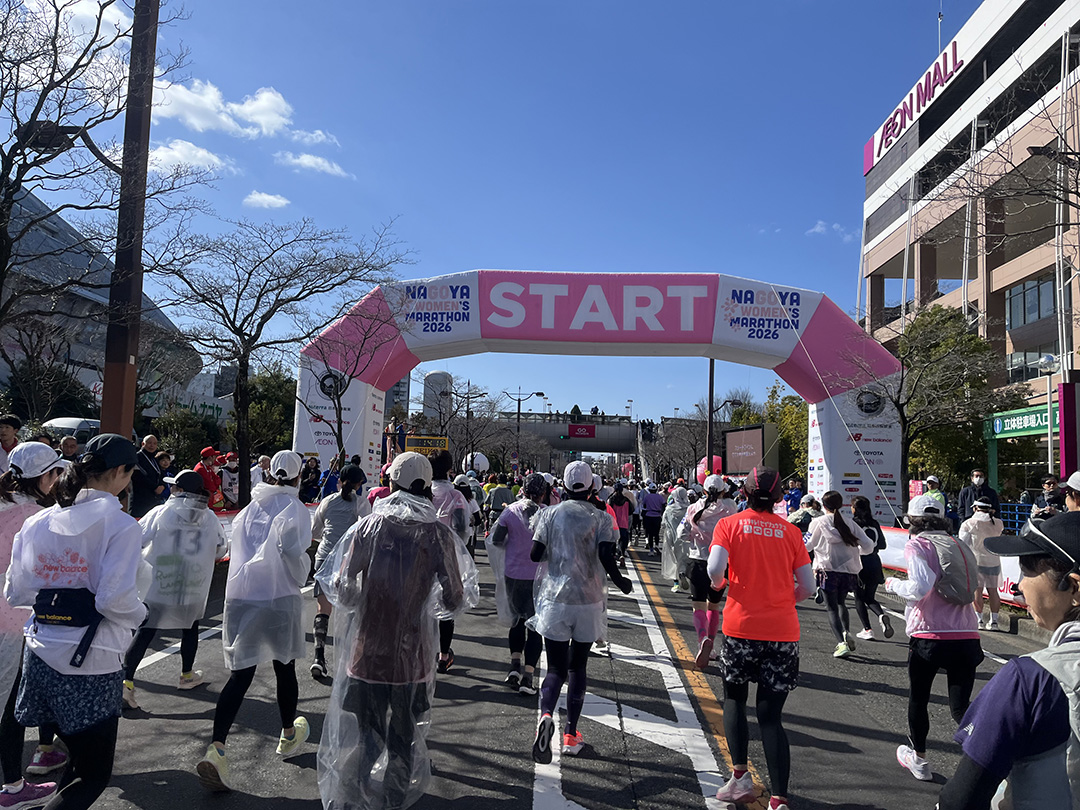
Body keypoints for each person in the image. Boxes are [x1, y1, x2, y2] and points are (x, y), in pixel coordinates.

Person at [5, 434, 146, 810]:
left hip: (38, 654)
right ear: (120, 472)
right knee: (92, 774)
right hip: (90, 662)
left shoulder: (39, 522)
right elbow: (115, 599)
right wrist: (140, 615)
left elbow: (15, 592)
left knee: (74, 767)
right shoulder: (121, 526)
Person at [317, 452, 464, 810]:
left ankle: (350, 794)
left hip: (367, 652)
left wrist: (367, 597)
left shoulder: (369, 526)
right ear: (427, 484)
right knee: (404, 737)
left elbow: (342, 585)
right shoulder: (437, 534)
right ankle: (395, 800)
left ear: (391, 481)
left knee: (368, 736)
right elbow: (455, 597)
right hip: (413, 655)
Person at [938, 511, 1080, 809]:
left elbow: (960, 800)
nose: (1019, 585)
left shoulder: (1031, 679)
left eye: (1028, 570)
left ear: (1074, 588)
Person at [197, 450, 311, 792]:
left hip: (242, 598)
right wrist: (303, 573)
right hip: (279, 598)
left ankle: (217, 747)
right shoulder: (295, 509)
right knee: (284, 667)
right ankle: (288, 733)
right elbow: (295, 555)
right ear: (297, 476)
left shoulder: (248, 509)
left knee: (241, 676)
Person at [707, 467, 814, 810]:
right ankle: (780, 798)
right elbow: (809, 587)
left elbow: (714, 569)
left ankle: (740, 779)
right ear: (780, 497)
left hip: (740, 627)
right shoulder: (791, 532)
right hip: (782, 632)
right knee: (771, 716)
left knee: (734, 700)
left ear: (745, 493)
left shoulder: (730, 525)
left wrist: (722, 585)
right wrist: (783, 600)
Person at [530, 461, 632, 763]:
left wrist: (557, 550)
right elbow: (604, 554)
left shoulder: (548, 514)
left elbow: (535, 554)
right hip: (587, 600)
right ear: (592, 487)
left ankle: (546, 713)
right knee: (577, 668)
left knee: (554, 669)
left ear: (562, 485)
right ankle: (571, 734)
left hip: (554, 600)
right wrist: (621, 581)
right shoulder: (600, 517)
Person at [884, 494, 982, 782]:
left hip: (929, 634)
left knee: (919, 698)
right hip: (967, 633)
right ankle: (989, 759)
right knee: (961, 708)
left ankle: (920, 760)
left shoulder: (917, 544)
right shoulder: (959, 544)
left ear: (912, 521)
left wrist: (893, 584)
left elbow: (920, 587)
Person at [0, 444, 71, 809]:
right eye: (55, 474)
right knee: (12, 706)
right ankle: (12, 786)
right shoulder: (40, 517)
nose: (58, 480)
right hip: (16, 621)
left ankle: (44, 752)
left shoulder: (4, 503)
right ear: (43, 477)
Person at [122, 469, 228, 710]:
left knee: (146, 629)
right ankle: (187, 674)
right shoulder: (209, 517)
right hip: (192, 584)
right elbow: (221, 549)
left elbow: (137, 540)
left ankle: (126, 682)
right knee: (190, 627)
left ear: (178, 489)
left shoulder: (161, 513)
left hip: (160, 582)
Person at [309, 464, 369, 679]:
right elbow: (366, 531)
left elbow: (315, 531)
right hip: (347, 560)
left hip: (324, 558)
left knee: (322, 610)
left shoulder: (327, 501)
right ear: (359, 483)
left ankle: (318, 658)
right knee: (353, 609)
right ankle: (352, 661)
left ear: (340, 481)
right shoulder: (361, 504)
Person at [490, 473, 547, 696]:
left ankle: (514, 667)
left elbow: (496, 540)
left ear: (522, 489)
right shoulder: (546, 515)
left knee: (517, 622)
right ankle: (528, 677)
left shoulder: (510, 511)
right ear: (543, 493)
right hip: (538, 576)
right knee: (535, 626)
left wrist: (514, 544)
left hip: (512, 574)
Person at [805, 491, 876, 658]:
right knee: (841, 604)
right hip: (848, 571)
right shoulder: (850, 523)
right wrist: (858, 552)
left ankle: (840, 643)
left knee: (831, 609)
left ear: (823, 505)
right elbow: (868, 545)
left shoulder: (818, 522)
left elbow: (807, 545)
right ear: (842, 505)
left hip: (827, 570)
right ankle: (846, 632)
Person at [679, 475, 737, 669]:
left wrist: (694, 537)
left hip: (697, 561)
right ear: (723, 490)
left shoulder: (693, 508)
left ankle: (702, 638)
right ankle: (711, 644)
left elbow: (682, 533)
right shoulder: (730, 509)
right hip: (721, 563)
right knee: (714, 605)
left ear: (703, 490)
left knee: (698, 605)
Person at [429, 451, 478, 675]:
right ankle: (444, 655)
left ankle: (422, 651)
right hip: (448, 556)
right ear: (450, 469)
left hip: (422, 553)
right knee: (447, 605)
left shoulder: (423, 492)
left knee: (421, 602)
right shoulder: (456, 496)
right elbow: (461, 528)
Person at [850, 495, 893, 641]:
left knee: (859, 598)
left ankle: (867, 629)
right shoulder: (874, 523)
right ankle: (881, 615)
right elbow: (882, 544)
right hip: (875, 562)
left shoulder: (853, 524)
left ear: (854, 509)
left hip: (860, 563)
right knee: (870, 597)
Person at [958, 498, 1005, 631]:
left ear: (975, 508)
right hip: (994, 561)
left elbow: (964, 544)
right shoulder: (998, 523)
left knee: (978, 591)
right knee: (993, 590)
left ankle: (979, 620)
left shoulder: (968, 524)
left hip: (976, 561)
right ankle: (994, 621)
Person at [660, 486, 690, 593]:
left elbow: (663, 523)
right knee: (685, 558)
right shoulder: (690, 509)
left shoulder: (669, 509)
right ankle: (684, 574)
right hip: (686, 537)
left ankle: (676, 583)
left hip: (671, 536)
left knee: (673, 559)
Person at [130, 435, 165, 519]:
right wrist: (154, 487)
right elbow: (137, 476)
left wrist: (162, 485)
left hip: (154, 499)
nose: (152, 445)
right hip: (140, 499)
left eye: (155, 443)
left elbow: (160, 473)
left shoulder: (154, 458)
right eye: (149, 443)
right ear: (143, 444)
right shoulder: (137, 457)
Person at [606, 482, 633, 567]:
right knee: (622, 540)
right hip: (623, 522)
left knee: (613, 540)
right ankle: (621, 554)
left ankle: (614, 556)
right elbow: (631, 510)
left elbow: (607, 510)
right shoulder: (626, 500)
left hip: (613, 523)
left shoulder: (611, 499)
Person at [639, 481, 666, 555]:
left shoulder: (647, 497)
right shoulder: (659, 497)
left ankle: (651, 550)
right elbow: (663, 504)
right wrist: (661, 512)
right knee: (656, 533)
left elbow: (644, 505)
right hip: (657, 516)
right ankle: (657, 545)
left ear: (650, 490)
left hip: (649, 515)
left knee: (650, 534)